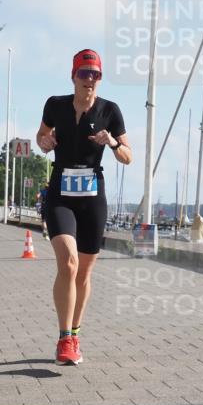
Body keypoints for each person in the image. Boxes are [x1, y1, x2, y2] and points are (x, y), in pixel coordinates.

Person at [36, 49, 131, 365]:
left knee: (84, 274)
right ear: (73, 76)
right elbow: (42, 135)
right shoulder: (55, 105)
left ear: (100, 79)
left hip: (92, 198)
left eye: (95, 74)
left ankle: (75, 332)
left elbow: (128, 156)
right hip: (61, 193)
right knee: (69, 263)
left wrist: (112, 143)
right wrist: (44, 142)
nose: (89, 80)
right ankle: (64, 339)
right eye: (84, 73)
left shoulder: (110, 111)